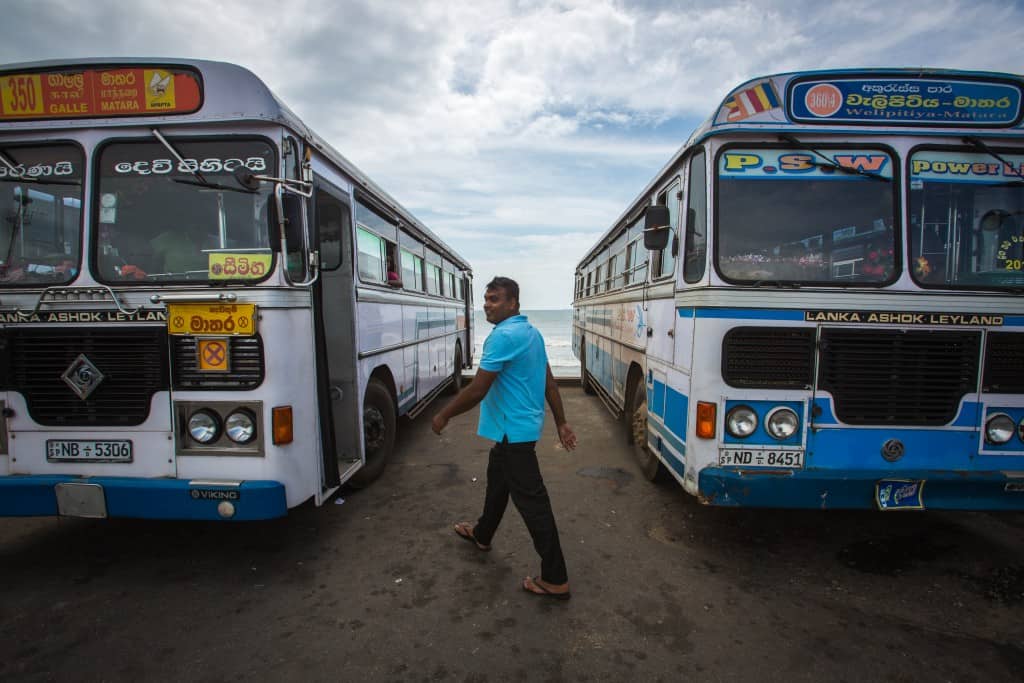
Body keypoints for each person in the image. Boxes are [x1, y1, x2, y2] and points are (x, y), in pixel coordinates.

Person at [432, 276, 577, 600]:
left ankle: (555, 578)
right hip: (516, 431)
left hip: (514, 432)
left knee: (533, 504)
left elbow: (478, 389)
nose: (487, 304)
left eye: (495, 299)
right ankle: (483, 534)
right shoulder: (531, 333)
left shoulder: (502, 337)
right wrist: (561, 422)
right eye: (486, 298)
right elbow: (549, 383)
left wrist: (444, 415)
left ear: (513, 303)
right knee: (497, 480)